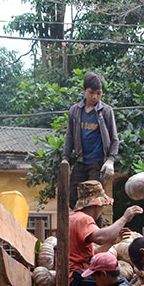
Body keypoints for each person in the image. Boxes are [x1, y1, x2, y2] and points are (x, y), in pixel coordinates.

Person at [69, 180, 143, 286]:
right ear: (97, 204)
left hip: (74, 280)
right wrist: (124, 218)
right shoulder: (83, 219)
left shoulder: (73, 218)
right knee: (121, 284)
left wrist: (113, 241)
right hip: (75, 279)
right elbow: (102, 237)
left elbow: (94, 254)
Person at [61, 72, 119, 201]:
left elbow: (114, 139)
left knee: (94, 201)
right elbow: (69, 136)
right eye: (91, 92)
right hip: (81, 161)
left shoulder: (106, 111)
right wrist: (65, 158)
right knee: (73, 197)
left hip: (98, 163)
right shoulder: (75, 111)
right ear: (84, 90)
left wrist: (110, 160)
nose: (94, 96)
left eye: (99, 93)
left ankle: (94, 217)